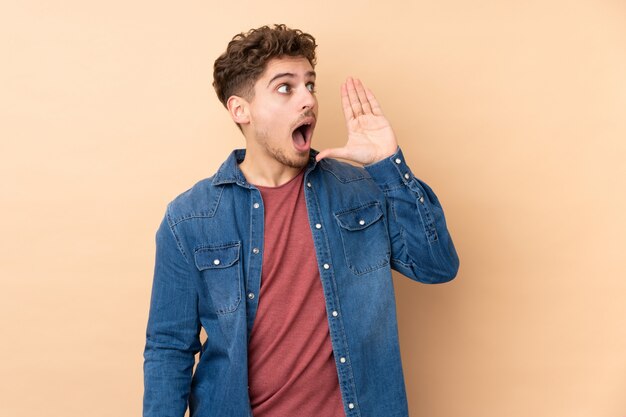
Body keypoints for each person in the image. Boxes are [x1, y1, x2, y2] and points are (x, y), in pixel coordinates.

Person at [143, 24, 459, 417]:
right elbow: (168, 348)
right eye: (285, 88)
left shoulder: (359, 190)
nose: (307, 99)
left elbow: (437, 266)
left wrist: (388, 165)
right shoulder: (189, 218)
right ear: (240, 109)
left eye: (310, 84)